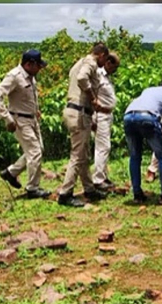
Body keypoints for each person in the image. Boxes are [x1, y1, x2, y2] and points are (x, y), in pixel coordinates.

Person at [0, 49, 51, 199]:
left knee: (39, 149)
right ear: (29, 64)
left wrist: (36, 110)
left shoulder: (31, 77)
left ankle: (11, 172)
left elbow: (29, 97)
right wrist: (7, 118)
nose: (39, 69)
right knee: (35, 152)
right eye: (38, 65)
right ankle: (32, 188)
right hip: (19, 120)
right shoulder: (14, 77)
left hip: (32, 119)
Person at [58, 42, 110, 207]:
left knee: (83, 153)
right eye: (105, 59)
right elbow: (82, 79)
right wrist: (92, 97)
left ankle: (89, 189)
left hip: (76, 111)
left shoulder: (78, 63)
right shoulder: (91, 62)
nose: (104, 64)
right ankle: (65, 193)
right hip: (79, 112)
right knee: (78, 155)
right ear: (101, 55)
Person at [123, 78, 162, 205]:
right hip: (147, 117)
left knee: (134, 156)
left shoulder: (149, 90)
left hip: (128, 116)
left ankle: (137, 194)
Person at [92, 52, 120, 191]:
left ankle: (103, 175)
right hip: (100, 115)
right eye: (114, 67)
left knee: (105, 146)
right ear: (108, 62)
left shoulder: (107, 77)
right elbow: (92, 96)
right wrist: (94, 116)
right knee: (103, 147)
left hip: (108, 115)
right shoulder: (97, 75)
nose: (114, 71)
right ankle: (98, 179)